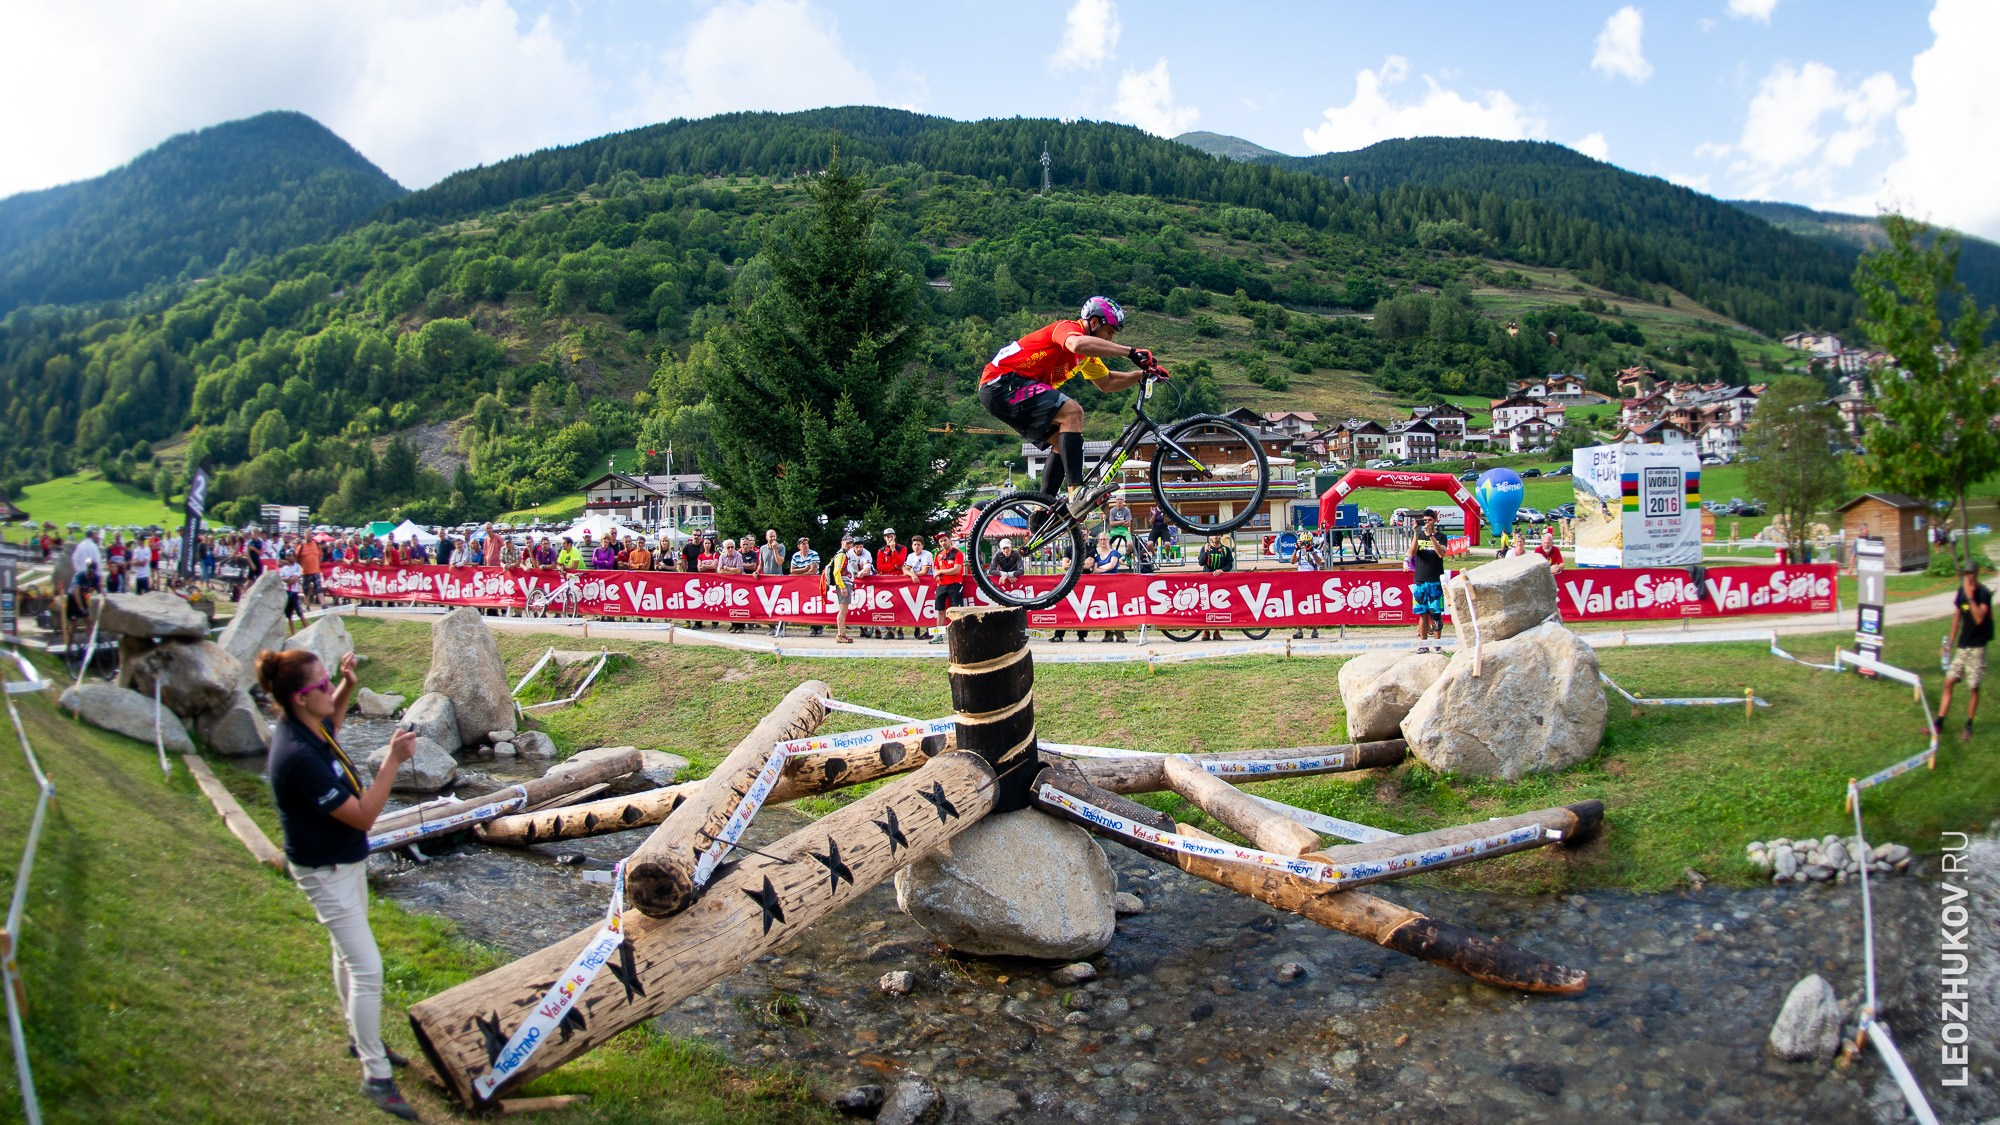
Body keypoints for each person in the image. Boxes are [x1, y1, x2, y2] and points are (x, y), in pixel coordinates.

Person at [258, 648, 421, 1120]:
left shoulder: (309, 726)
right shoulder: (296, 756)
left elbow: (333, 719)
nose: (330, 690)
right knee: (368, 969)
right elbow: (365, 816)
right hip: (324, 869)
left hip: (343, 862)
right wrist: (392, 760)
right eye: (324, 685)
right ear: (300, 698)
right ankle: (376, 1075)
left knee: (345, 955)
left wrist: (348, 683)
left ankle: (358, 1037)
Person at [977, 297, 1157, 518]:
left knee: (1061, 443)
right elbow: (1076, 344)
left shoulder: (1086, 357)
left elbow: (1107, 382)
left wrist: (1143, 374)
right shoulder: (1066, 328)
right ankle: (1077, 492)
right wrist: (1130, 352)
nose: (1110, 339)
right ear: (1094, 322)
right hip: (1001, 382)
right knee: (1072, 412)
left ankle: (1041, 512)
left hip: (1004, 391)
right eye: (1109, 332)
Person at [1937, 564, 1991, 743]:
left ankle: (1968, 725)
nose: (1968, 576)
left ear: (1976, 573)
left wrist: (1970, 597)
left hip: (1977, 648)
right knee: (1949, 682)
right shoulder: (1961, 591)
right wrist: (1949, 644)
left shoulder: (1983, 593)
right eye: (1966, 573)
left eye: (1970, 573)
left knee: (1973, 687)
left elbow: (1979, 618)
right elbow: (1957, 617)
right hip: (1963, 646)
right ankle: (1939, 723)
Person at [1408, 512, 1446, 654]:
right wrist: (1416, 534)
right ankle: (1423, 644)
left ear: (1435, 520)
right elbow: (1411, 553)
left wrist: (1431, 536)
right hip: (1420, 579)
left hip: (1435, 579)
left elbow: (1441, 553)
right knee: (1422, 613)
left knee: (1436, 613)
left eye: (1430, 520)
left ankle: (1437, 644)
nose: (1427, 523)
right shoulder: (1419, 536)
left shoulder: (1441, 536)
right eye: (1425, 520)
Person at [930, 532, 967, 644]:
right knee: (940, 610)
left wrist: (941, 571)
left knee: (956, 610)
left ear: (950, 539)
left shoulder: (958, 553)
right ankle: (938, 635)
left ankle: (959, 635)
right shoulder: (938, 553)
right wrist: (937, 573)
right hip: (941, 585)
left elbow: (956, 569)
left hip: (955, 584)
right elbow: (936, 567)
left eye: (945, 540)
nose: (943, 543)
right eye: (941, 541)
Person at [1198, 534, 1236, 641]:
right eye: (1213, 535)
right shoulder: (1205, 548)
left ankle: (1217, 631)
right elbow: (1201, 562)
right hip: (1206, 582)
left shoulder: (1226, 550)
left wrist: (1221, 570)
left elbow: (1229, 565)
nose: (1215, 536)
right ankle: (1205, 631)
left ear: (1220, 536)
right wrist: (1205, 552)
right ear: (1210, 537)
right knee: (1206, 606)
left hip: (1220, 583)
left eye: (1217, 534)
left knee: (1218, 606)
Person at [825, 534, 861, 644]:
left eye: (851, 543)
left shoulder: (845, 554)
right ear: (842, 542)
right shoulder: (841, 554)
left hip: (846, 582)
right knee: (843, 610)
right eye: (847, 543)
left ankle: (842, 633)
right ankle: (840, 634)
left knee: (844, 610)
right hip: (844, 583)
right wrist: (842, 587)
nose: (849, 545)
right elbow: (837, 572)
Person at [874, 529, 909, 640]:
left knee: (900, 605)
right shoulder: (881, 550)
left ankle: (900, 629)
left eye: (891, 536)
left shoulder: (902, 548)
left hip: (898, 580)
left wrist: (893, 550)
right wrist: (894, 567)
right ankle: (889, 630)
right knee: (886, 605)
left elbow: (900, 563)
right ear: (884, 538)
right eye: (887, 536)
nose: (889, 538)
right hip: (886, 581)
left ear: (895, 536)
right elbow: (880, 566)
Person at [789, 537, 824, 636]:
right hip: (801, 583)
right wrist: (805, 568)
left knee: (815, 604)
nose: (805, 545)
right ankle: (812, 626)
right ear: (799, 546)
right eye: (803, 544)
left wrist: (800, 573)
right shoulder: (796, 556)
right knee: (805, 604)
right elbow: (792, 570)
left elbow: (813, 571)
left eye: (807, 543)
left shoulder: (814, 554)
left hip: (813, 582)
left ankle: (818, 627)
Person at [1291, 532, 1323, 641]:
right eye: (1304, 542)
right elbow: (1292, 561)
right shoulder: (1300, 552)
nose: (1306, 544)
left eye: (1307, 542)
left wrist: (1312, 551)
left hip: (1313, 581)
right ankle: (1299, 630)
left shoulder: (1317, 551)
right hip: (1301, 581)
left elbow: (1319, 562)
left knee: (1313, 606)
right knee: (1299, 606)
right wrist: (1296, 549)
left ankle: (1315, 630)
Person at [279, 551, 308, 635]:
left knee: (300, 613)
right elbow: (281, 578)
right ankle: (293, 633)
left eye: (292, 556)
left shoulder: (297, 567)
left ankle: (307, 630)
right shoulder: (284, 568)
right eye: (289, 556)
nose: (291, 558)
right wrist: (288, 579)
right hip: (286, 592)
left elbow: (294, 580)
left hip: (294, 593)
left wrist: (287, 579)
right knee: (289, 615)